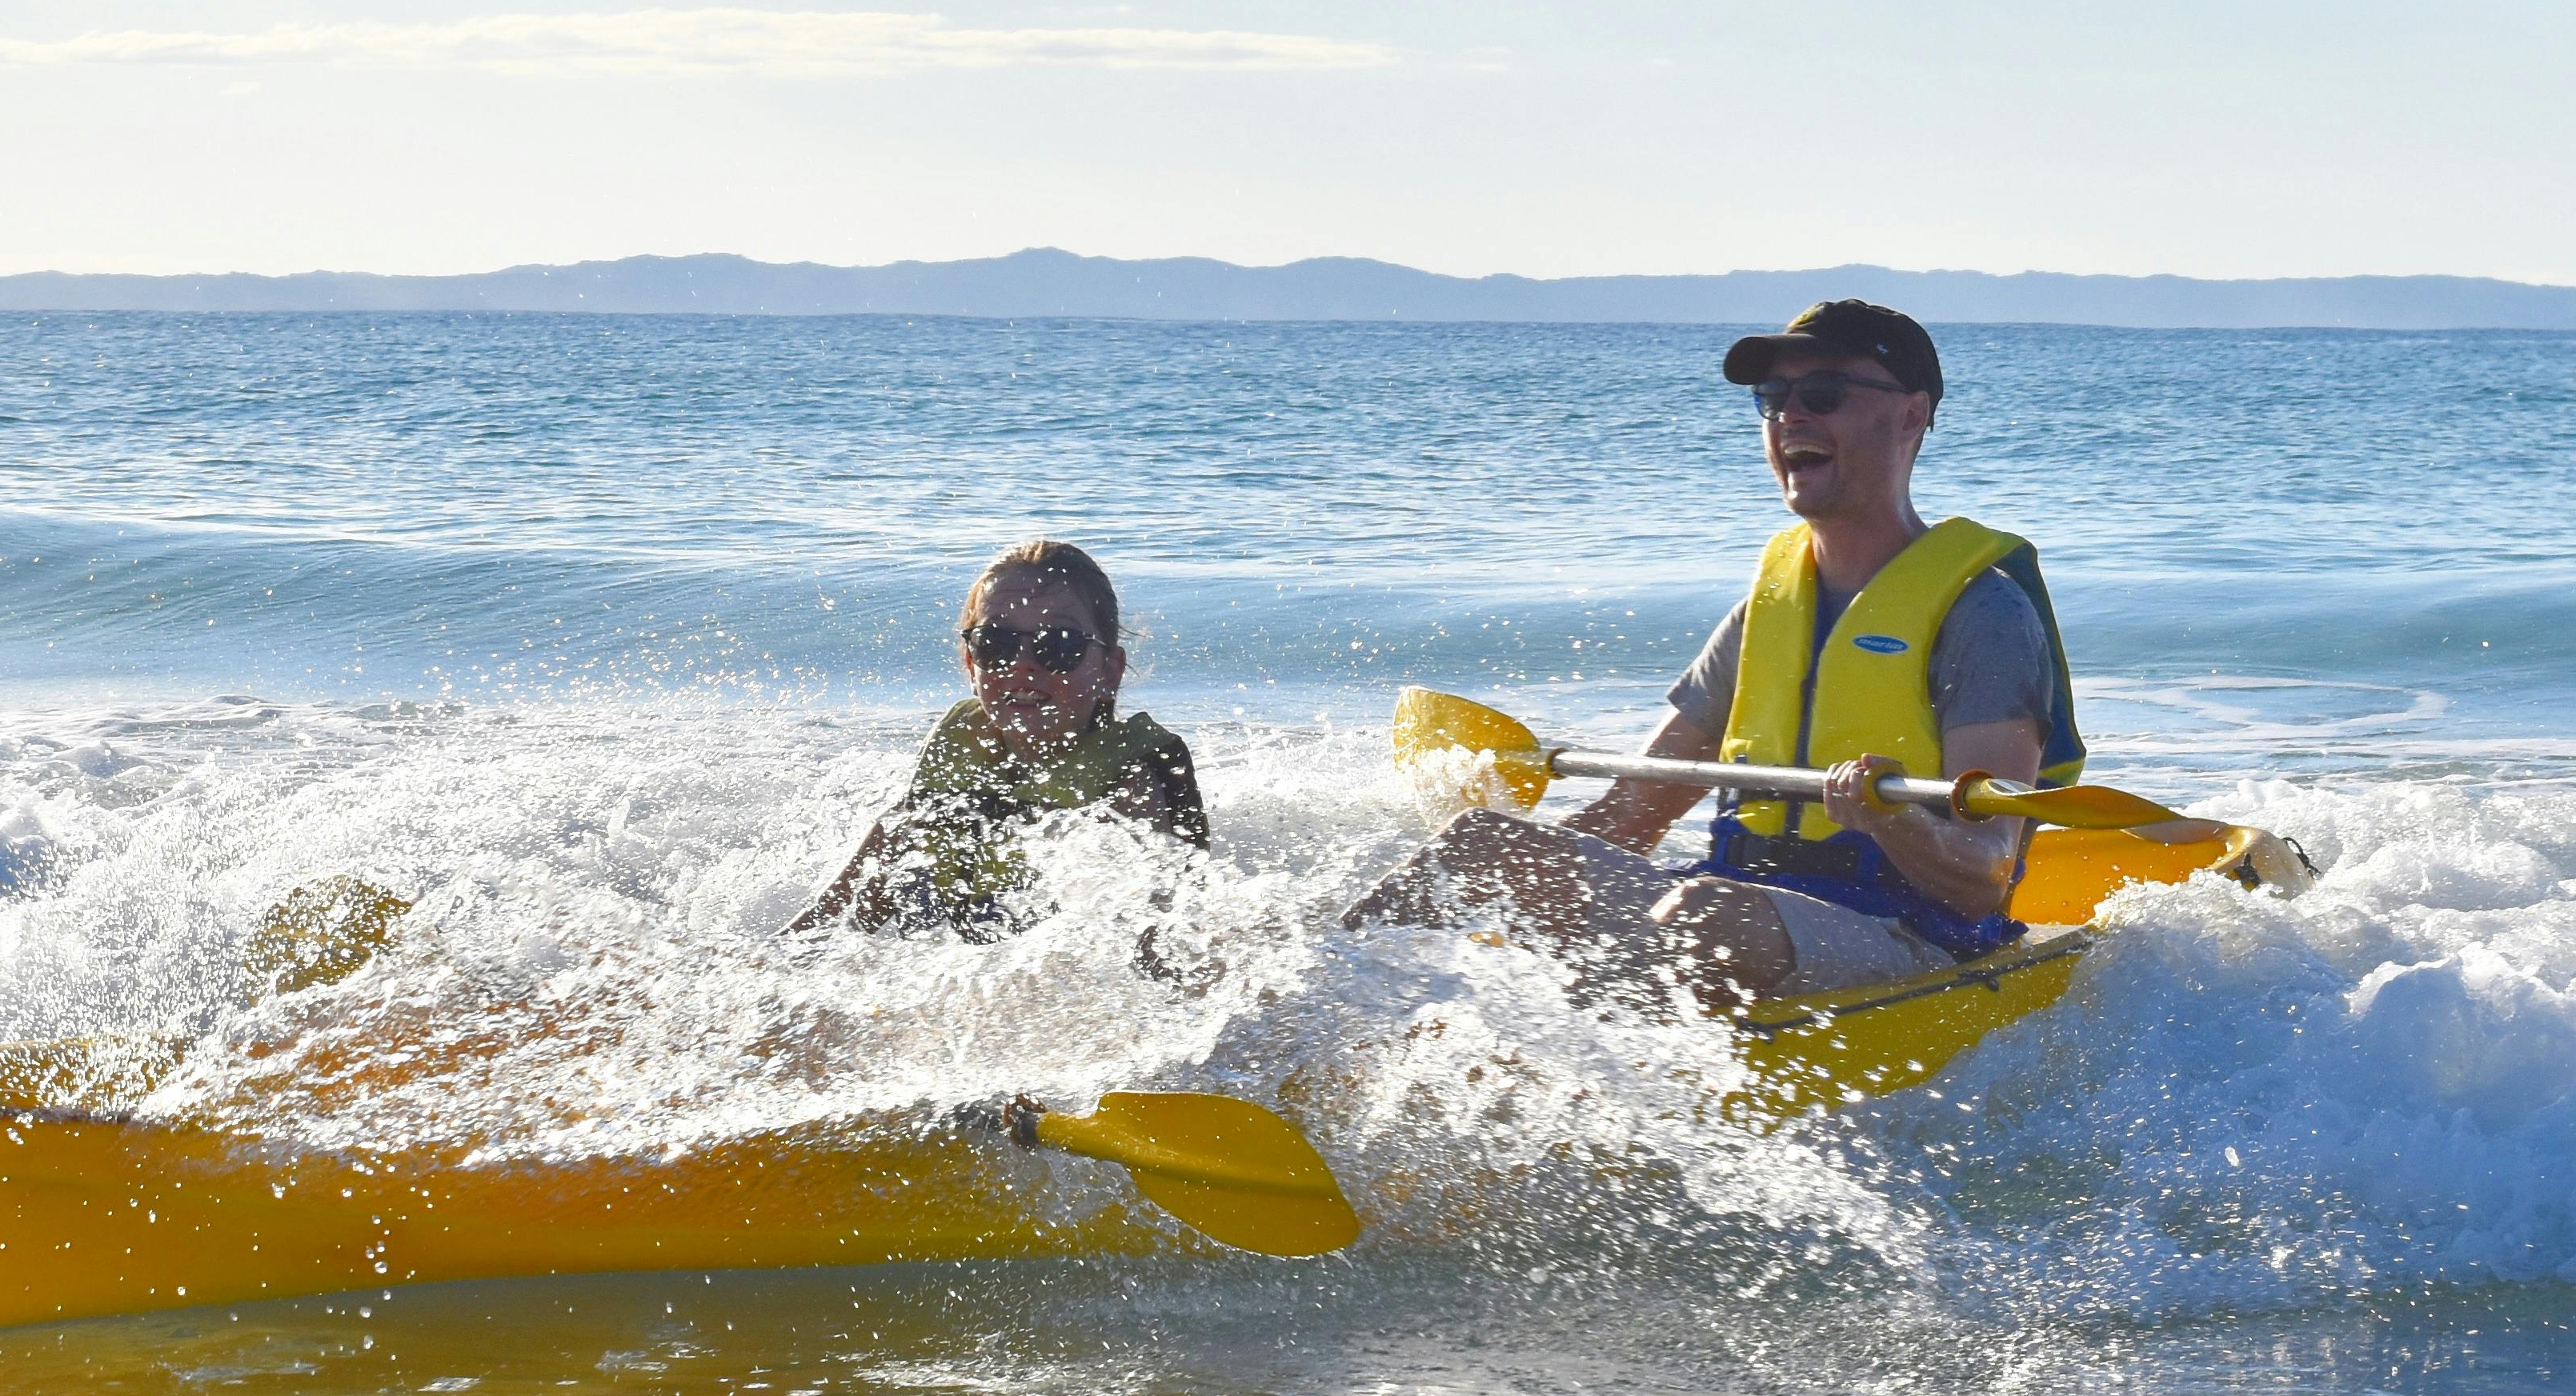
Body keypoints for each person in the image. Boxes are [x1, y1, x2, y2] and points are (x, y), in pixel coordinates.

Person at [1344, 300, 2084, 1006]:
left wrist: (1890, 819)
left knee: (1700, 915)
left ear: (1911, 415)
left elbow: (1983, 878)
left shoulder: (1984, 613)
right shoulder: (1766, 612)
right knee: (1480, 846)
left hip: (1907, 936)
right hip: (1739, 908)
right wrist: (1517, 889)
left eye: (1824, 394)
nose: (1791, 416)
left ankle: (1552, 1072)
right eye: (1773, 398)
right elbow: (1631, 817)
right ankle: (1314, 1027)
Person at [796, 539, 1208, 937]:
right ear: (970, 662)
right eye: (996, 643)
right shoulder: (959, 748)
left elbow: (1157, 943)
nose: (1023, 665)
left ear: (1109, 670)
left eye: (1060, 645)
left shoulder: (1129, 784)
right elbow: (832, 925)